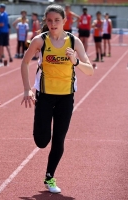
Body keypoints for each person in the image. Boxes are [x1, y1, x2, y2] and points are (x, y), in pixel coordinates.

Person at [20, 4, 94, 193]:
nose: (53, 24)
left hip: (66, 97)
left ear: (64, 21)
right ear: (46, 21)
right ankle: (41, 130)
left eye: (57, 20)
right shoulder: (40, 40)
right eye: (50, 20)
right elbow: (25, 62)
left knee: (59, 138)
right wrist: (28, 89)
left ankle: (49, 177)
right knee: (41, 141)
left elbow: (90, 70)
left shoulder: (73, 42)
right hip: (44, 96)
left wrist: (75, 61)